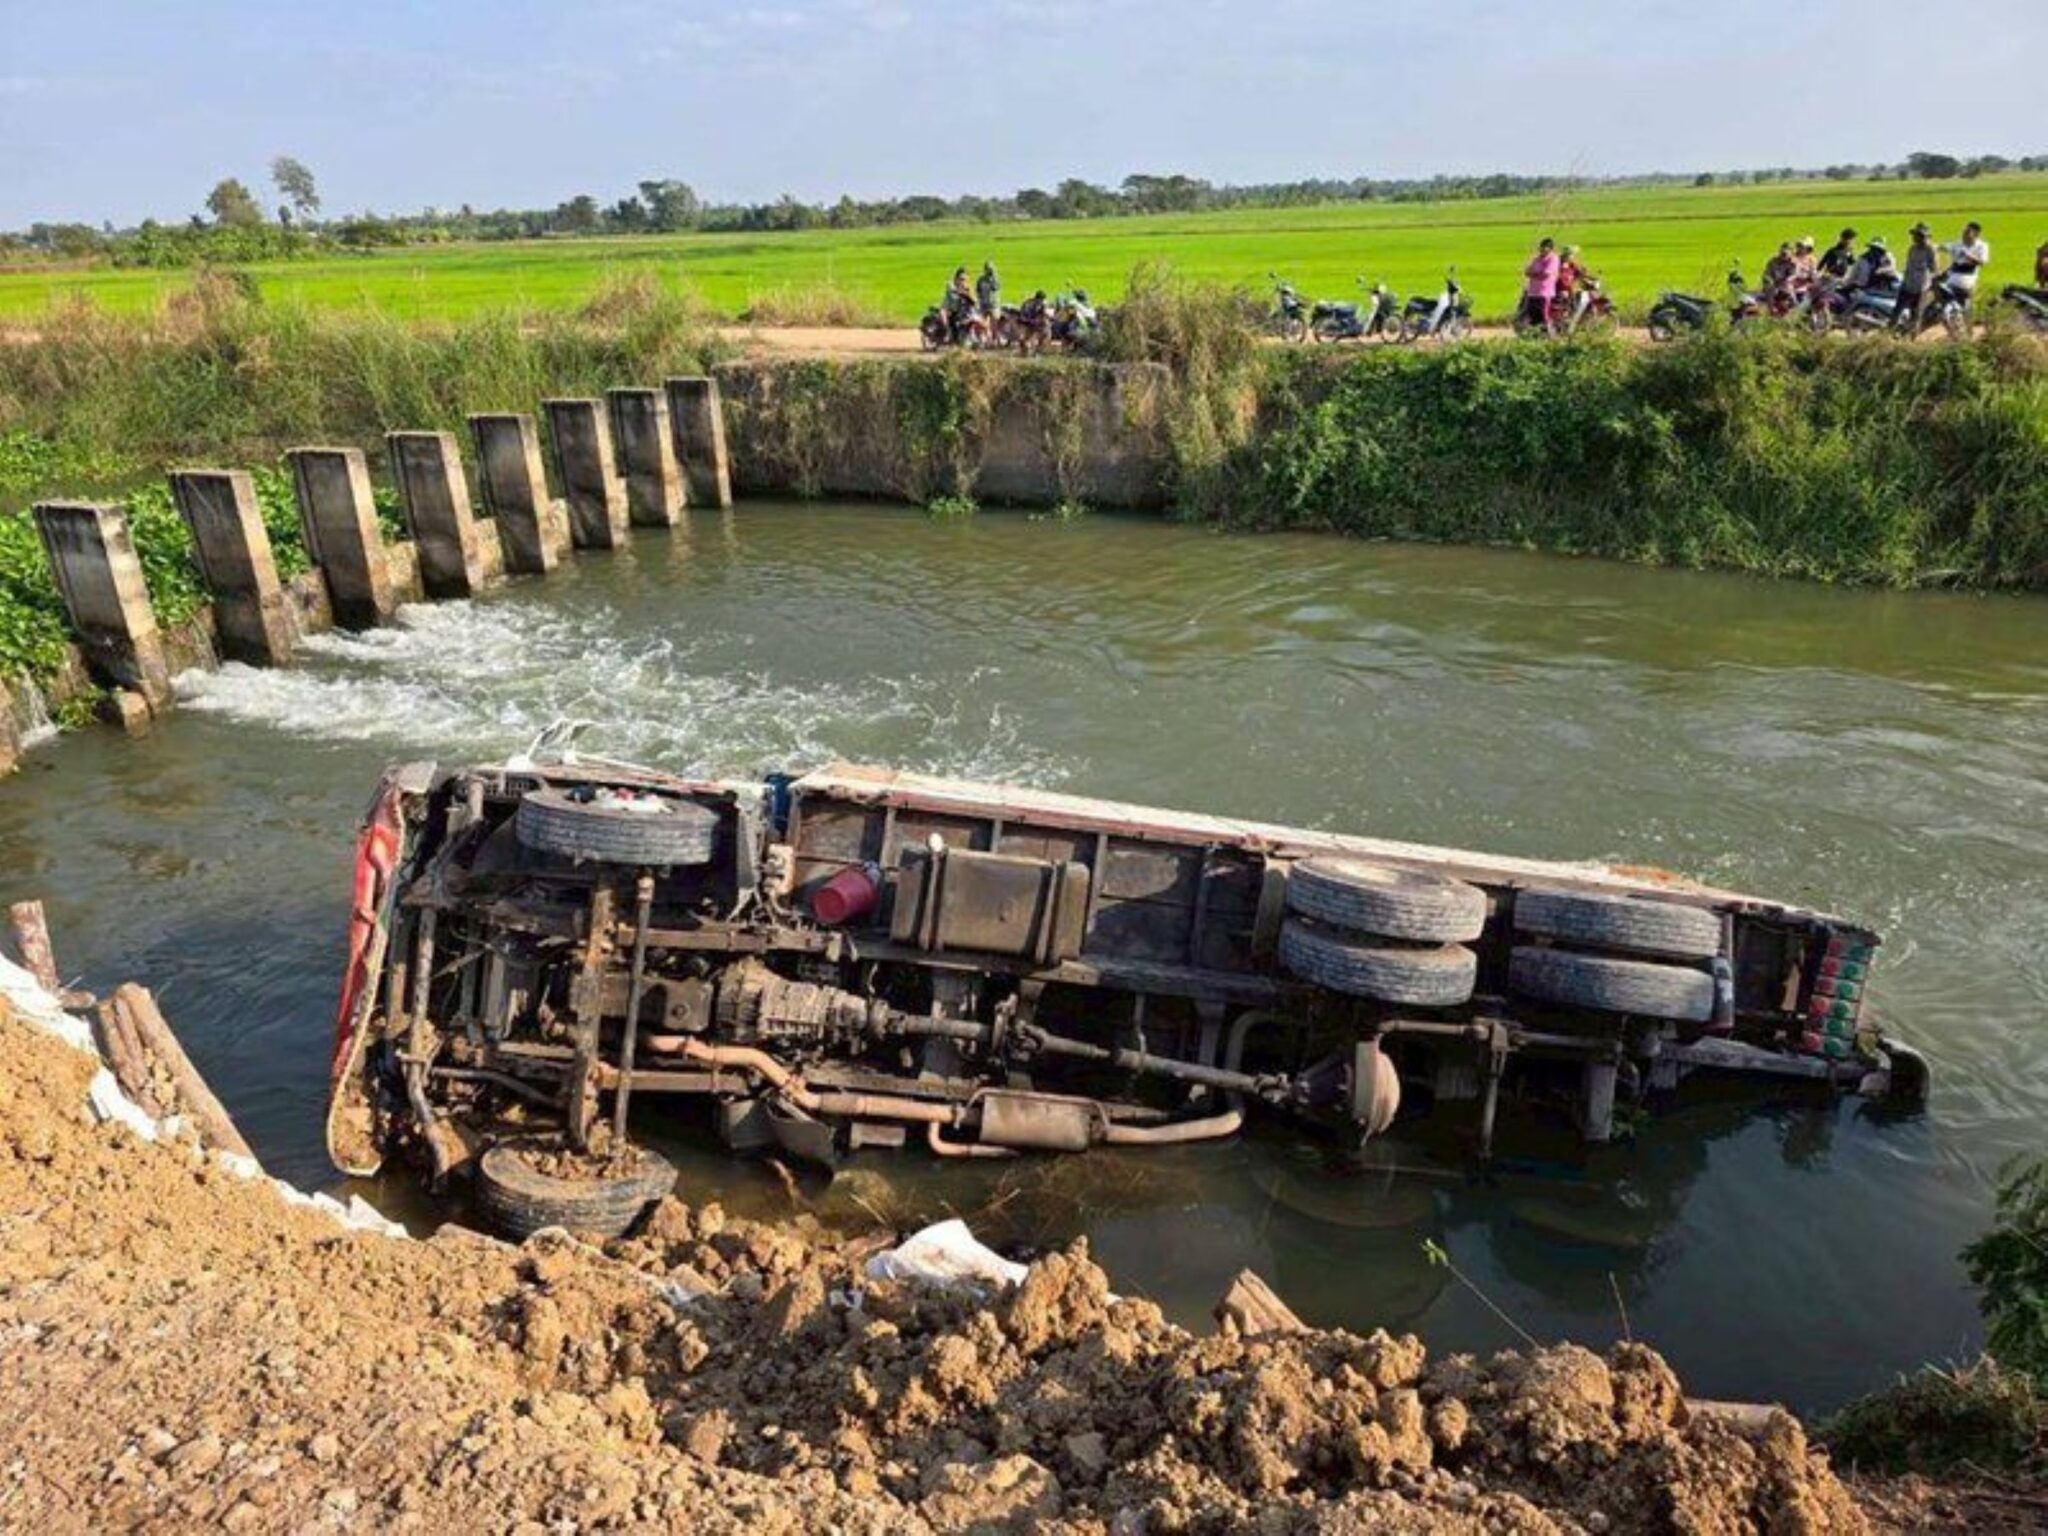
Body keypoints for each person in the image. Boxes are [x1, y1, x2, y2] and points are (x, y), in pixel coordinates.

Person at [1894, 224, 1939, 334]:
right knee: (1896, 311)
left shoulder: (1931, 249)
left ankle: (1911, 338)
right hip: (1907, 284)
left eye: (1917, 235)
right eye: (1914, 235)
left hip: (1921, 287)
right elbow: (1908, 266)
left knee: (1916, 314)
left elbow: (1934, 268)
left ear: (1924, 236)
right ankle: (1888, 336)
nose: (1914, 238)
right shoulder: (1912, 249)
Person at [1938, 221, 1990, 310]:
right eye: (1964, 233)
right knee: (1936, 282)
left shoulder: (1981, 246)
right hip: (1953, 271)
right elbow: (1943, 247)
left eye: (1967, 233)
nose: (1964, 235)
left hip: (1968, 274)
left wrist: (1968, 255)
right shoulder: (1958, 244)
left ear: (1975, 235)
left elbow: (1983, 262)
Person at [1521, 238, 1560, 334]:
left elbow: (1545, 275)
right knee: (1532, 315)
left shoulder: (1553, 259)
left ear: (1550, 249)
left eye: (1545, 247)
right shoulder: (1536, 259)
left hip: (1544, 292)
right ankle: (1534, 335)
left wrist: (1533, 274)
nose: (1542, 249)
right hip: (1532, 292)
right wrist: (1535, 274)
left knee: (1543, 315)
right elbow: (1527, 271)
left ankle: (1547, 336)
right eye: (1541, 247)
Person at [943, 267, 976, 343]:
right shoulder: (951, 286)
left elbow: (974, 300)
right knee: (951, 320)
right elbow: (951, 299)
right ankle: (949, 334)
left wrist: (967, 294)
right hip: (954, 310)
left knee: (981, 323)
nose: (963, 281)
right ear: (956, 279)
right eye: (961, 279)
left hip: (967, 313)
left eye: (965, 279)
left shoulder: (968, 288)